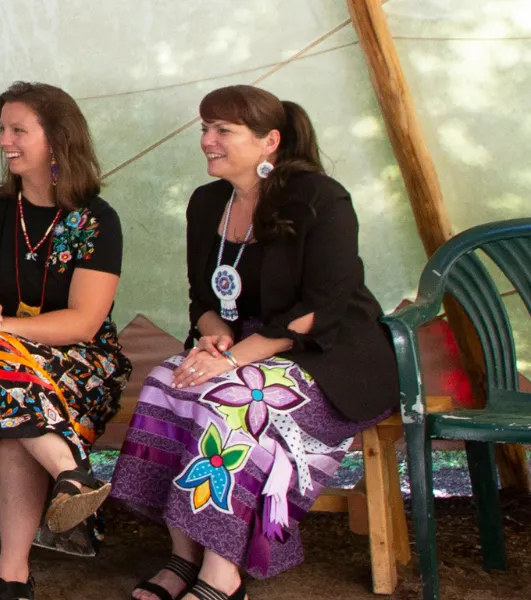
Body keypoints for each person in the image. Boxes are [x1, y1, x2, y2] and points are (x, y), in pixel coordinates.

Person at [112, 85, 399, 600]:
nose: (207, 140)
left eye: (223, 130)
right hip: (244, 347)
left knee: (237, 397)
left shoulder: (319, 198)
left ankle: (223, 573)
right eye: (204, 128)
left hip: (331, 357)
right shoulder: (206, 203)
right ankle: (183, 555)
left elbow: (322, 307)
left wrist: (232, 360)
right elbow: (203, 294)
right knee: (165, 381)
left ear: (269, 141)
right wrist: (213, 336)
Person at [0, 81, 131, 600]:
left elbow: (83, 324)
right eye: (2, 128)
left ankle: (13, 576)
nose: (6, 139)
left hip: (82, 362)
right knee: (4, 382)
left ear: (57, 138)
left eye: (18, 129)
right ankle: (71, 473)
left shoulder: (96, 219)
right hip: (8, 363)